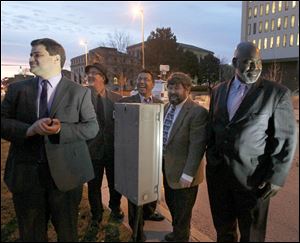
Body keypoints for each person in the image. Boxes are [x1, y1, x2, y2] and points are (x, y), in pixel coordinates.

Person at [1, 38, 99, 242]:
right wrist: (29, 129)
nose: (30, 59)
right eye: (30, 55)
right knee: (31, 235)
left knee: (67, 233)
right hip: (26, 177)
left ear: (56, 59)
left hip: (66, 178)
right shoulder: (17, 89)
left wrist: (62, 129)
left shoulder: (79, 92)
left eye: (37, 54)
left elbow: (92, 127)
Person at [206, 41, 297, 242]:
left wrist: (276, 177)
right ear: (234, 62)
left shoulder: (277, 93)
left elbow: (285, 138)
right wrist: (211, 156)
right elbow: (213, 128)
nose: (254, 68)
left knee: (252, 236)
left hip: (253, 180)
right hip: (219, 176)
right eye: (248, 62)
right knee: (223, 230)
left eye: (258, 62)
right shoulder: (218, 90)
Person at [119, 69, 165, 241]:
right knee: (134, 195)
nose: (142, 82)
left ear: (153, 84)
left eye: (146, 79)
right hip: (133, 157)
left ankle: (149, 212)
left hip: (153, 155)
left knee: (152, 186)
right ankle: (137, 232)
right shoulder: (126, 102)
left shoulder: (160, 104)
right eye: (139, 79)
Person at [162, 72, 208, 242]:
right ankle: (178, 232)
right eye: (170, 88)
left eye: (177, 88)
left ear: (187, 89)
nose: (172, 91)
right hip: (168, 169)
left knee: (183, 211)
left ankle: (181, 237)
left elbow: (197, 146)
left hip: (185, 174)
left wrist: (188, 174)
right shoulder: (166, 107)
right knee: (172, 204)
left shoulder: (197, 112)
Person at [85, 63, 124, 226]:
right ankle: (96, 213)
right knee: (93, 185)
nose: (91, 76)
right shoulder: (82, 97)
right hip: (91, 150)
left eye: (95, 73)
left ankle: (115, 207)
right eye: (89, 73)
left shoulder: (117, 99)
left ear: (103, 77)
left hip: (113, 150)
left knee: (115, 182)